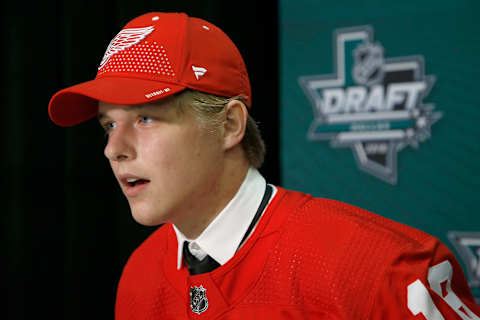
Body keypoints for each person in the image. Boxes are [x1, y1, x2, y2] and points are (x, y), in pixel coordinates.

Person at [48, 12, 479, 319]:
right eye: (109, 124)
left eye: (145, 118)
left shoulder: (382, 271)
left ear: (230, 125)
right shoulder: (139, 275)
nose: (113, 149)